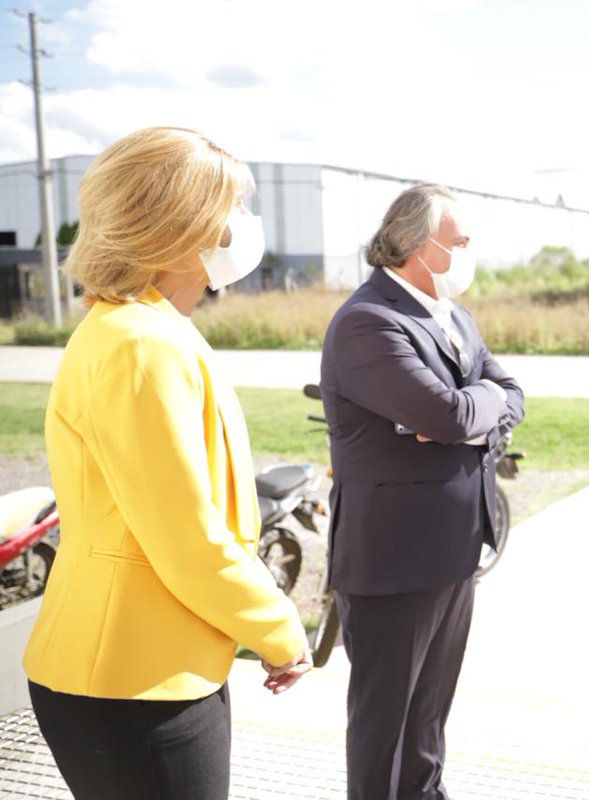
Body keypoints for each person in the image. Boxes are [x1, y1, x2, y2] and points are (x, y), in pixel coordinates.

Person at [23, 127, 312, 800]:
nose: (245, 222)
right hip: (135, 680)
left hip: (142, 666)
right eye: (235, 206)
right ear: (182, 222)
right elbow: (186, 536)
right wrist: (278, 629)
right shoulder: (141, 343)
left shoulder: (141, 328)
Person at [320, 183, 524, 800]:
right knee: (386, 726)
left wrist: (470, 413)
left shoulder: (453, 315)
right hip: (393, 561)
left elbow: (509, 395)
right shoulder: (367, 322)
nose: (468, 251)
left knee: (429, 720)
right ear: (417, 245)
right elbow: (450, 416)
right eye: (459, 241)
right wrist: (467, 413)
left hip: (456, 550)